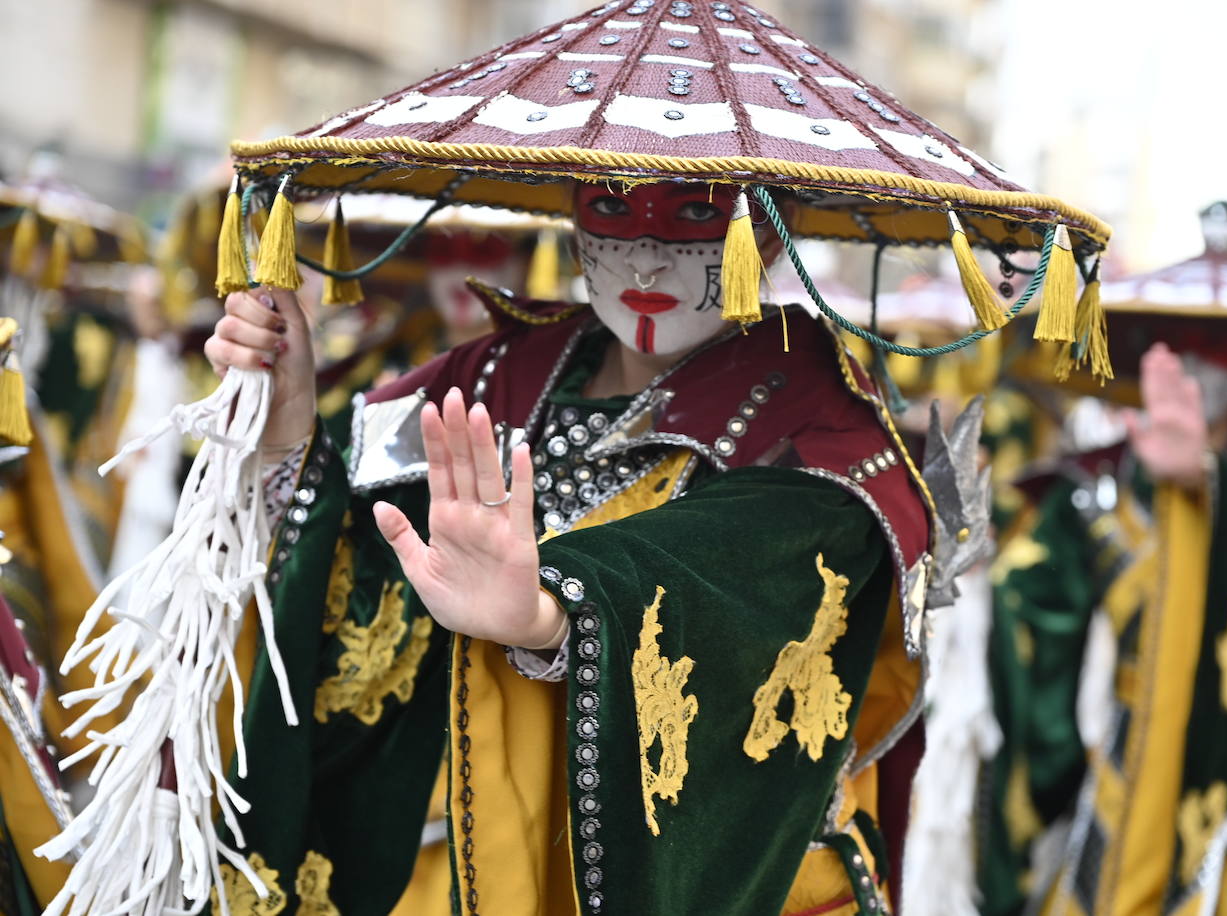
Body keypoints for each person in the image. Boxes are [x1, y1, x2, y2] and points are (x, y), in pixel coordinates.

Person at [204, 180, 936, 916]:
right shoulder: (491, 376)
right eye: (614, 209)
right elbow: (349, 546)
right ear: (570, 208)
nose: (647, 263)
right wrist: (288, 430)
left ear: (774, 232)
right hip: (448, 865)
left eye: (694, 214)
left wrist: (554, 618)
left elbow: (735, 580)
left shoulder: (825, 438)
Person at [975, 203, 1227, 915]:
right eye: (1175, 340)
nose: (1192, 359)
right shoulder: (1086, 491)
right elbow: (1032, 633)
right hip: (1134, 762)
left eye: (1220, 345)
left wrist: (1205, 485)